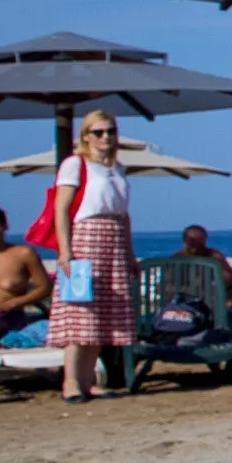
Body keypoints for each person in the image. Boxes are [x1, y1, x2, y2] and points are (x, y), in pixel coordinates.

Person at [41, 112, 136, 402]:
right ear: (86, 136)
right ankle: (70, 381)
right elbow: (62, 208)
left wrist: (130, 253)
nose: (105, 137)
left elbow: (124, 213)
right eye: (98, 132)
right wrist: (65, 250)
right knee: (81, 312)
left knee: (104, 314)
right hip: (86, 236)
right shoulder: (75, 164)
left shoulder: (117, 167)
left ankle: (88, 380)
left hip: (114, 238)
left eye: (110, 131)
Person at [0, 206, 53, 348]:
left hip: (10, 318)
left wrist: (11, 303)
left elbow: (44, 287)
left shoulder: (23, 254)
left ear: (5, 227)